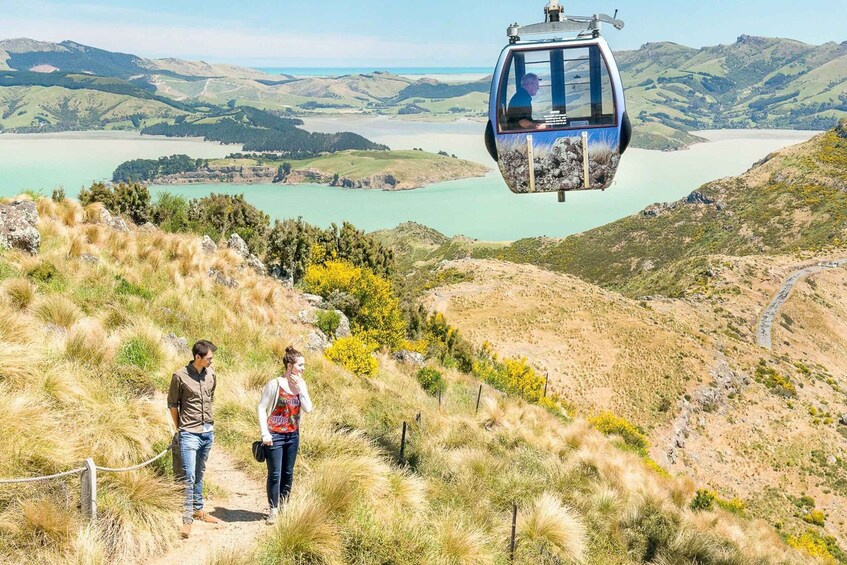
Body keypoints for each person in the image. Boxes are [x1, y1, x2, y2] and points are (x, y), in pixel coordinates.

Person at [167, 339, 223, 539]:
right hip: (189, 433)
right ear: (197, 357)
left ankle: (198, 510)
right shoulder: (179, 376)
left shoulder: (211, 374)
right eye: (208, 358)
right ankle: (187, 519)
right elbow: (173, 405)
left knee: (199, 472)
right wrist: (180, 428)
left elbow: (211, 398)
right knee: (188, 476)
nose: (211, 361)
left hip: (207, 432)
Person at [257, 346, 313, 525]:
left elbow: (308, 409)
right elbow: (261, 407)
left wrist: (301, 389)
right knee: (275, 473)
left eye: (303, 365)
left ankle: (284, 506)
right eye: (300, 365)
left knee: (288, 473)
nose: (303, 368)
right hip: (274, 436)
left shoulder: (301, 385)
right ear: (290, 366)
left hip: (293, 435)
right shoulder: (275, 384)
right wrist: (264, 432)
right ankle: (273, 510)